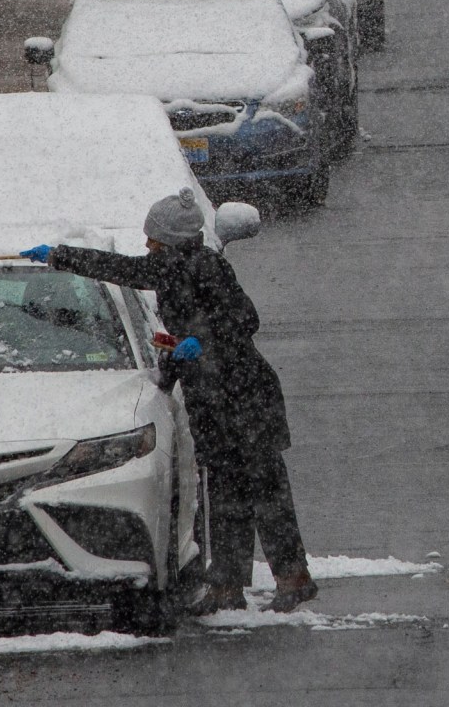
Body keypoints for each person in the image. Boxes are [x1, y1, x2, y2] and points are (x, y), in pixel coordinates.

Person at [21, 190, 316, 613]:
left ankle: (293, 577)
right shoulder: (172, 268)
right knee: (228, 495)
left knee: (266, 491)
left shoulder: (206, 265)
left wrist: (202, 338)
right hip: (215, 401)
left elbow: (245, 318)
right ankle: (227, 587)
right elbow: (123, 270)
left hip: (246, 397)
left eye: (152, 239)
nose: (146, 247)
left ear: (171, 240)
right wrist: (58, 256)